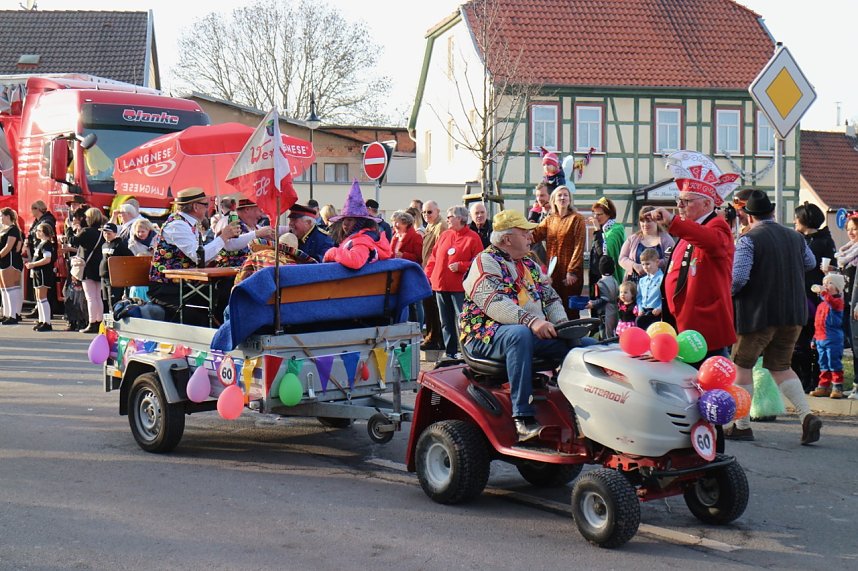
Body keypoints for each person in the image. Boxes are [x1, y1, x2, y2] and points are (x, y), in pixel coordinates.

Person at [460, 210, 593, 441]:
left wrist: (563, 326)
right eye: (525, 233)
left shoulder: (529, 263)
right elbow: (495, 304)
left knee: (584, 344)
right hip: (483, 336)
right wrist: (532, 321)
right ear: (507, 239)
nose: (531, 237)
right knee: (518, 335)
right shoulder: (485, 261)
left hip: (524, 332)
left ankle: (585, 415)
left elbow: (550, 298)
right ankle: (522, 417)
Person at [727, 189, 822, 446]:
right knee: (781, 366)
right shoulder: (795, 237)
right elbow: (811, 263)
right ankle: (806, 415)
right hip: (792, 313)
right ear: (771, 212)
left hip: (758, 314)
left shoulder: (748, 239)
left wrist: (729, 295)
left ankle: (742, 425)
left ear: (748, 216)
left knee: (743, 366)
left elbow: (738, 278)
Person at [651, 150, 738, 361]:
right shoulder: (690, 228)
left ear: (707, 204)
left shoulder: (717, 226)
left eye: (686, 201)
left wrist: (673, 223)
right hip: (684, 325)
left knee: (710, 386)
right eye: (678, 200)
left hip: (704, 328)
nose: (679, 206)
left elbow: (709, 241)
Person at [148, 188, 241, 324]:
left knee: (226, 289)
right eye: (205, 205)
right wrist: (223, 237)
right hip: (166, 289)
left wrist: (221, 239)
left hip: (185, 285)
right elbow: (198, 257)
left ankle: (225, 329)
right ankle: (219, 332)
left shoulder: (188, 224)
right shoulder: (177, 225)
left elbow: (202, 257)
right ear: (195, 207)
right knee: (201, 315)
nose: (208, 208)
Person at [425, 205, 483, 359]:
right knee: (445, 321)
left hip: (459, 286)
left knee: (462, 320)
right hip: (440, 284)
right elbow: (434, 257)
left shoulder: (473, 237)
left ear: (460, 218)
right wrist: (427, 275)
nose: (448, 219)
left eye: (450, 217)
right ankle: (450, 351)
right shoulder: (445, 235)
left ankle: (467, 351)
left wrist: (461, 266)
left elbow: (479, 261)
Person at [792, 202, 836, 392]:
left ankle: (817, 380)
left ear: (805, 219)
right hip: (799, 295)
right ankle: (801, 379)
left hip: (816, 298)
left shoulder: (824, 241)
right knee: (798, 342)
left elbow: (832, 269)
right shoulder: (797, 239)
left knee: (815, 341)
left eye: (797, 217)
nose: (794, 221)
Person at [531, 185, 586, 319]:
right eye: (559, 195)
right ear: (554, 200)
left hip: (570, 274)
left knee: (570, 310)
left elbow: (579, 245)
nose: (562, 198)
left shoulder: (577, 219)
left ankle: (573, 338)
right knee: (554, 307)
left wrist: (572, 271)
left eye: (565, 195)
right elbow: (534, 236)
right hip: (553, 272)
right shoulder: (550, 220)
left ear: (570, 199)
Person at [324, 182, 393, 270]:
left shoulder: (362, 240)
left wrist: (333, 252)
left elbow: (356, 261)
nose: (345, 224)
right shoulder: (366, 237)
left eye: (350, 220)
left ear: (360, 222)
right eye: (343, 220)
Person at [70, 207, 108, 333]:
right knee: (98, 296)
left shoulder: (86, 231)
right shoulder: (102, 232)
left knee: (90, 297)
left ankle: (92, 322)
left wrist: (72, 229)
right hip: (100, 266)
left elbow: (73, 241)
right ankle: (100, 321)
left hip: (88, 267)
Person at [808, 273, 846, 399]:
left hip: (833, 338)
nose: (825, 286)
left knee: (833, 362)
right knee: (822, 362)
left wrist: (824, 293)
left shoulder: (837, 301)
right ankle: (823, 386)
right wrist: (814, 338)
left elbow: (832, 303)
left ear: (838, 288)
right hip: (820, 338)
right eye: (824, 283)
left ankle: (837, 386)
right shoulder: (821, 305)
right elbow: (817, 323)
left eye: (830, 283)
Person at [212, 199, 276, 267]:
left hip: (248, 268)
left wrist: (288, 229)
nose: (261, 215)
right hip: (229, 271)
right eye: (259, 210)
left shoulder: (252, 226)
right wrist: (257, 234)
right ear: (247, 209)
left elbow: (274, 230)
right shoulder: (227, 221)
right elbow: (230, 245)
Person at [618, 205, 674, 282]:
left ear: (656, 221)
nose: (645, 224)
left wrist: (652, 265)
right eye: (642, 221)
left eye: (648, 221)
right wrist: (635, 266)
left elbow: (671, 260)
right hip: (633, 284)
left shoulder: (666, 239)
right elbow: (622, 258)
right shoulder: (632, 239)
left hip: (657, 284)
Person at [420, 200, 446, 351]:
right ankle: (432, 336)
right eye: (424, 212)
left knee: (433, 307)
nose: (426, 215)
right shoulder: (430, 226)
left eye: (429, 212)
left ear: (437, 211)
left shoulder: (440, 226)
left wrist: (431, 272)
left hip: (434, 272)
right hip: (427, 270)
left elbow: (438, 252)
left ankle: (435, 337)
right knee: (428, 306)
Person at [24, 223, 57, 331]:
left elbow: (47, 259)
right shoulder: (40, 244)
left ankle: (46, 322)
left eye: (39, 230)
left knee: (43, 298)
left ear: (44, 233)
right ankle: (42, 320)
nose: (37, 232)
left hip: (43, 273)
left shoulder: (46, 244)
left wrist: (33, 264)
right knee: (39, 298)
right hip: (38, 273)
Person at [588, 196, 625, 291]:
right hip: (596, 276)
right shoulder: (602, 230)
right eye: (595, 214)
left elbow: (604, 254)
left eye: (599, 214)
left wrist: (597, 231)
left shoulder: (616, 230)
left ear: (609, 215)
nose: (596, 217)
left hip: (609, 280)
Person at [98, 222, 133, 308]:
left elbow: (130, 257)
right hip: (104, 277)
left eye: (109, 233)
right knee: (105, 301)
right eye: (104, 233)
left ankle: (115, 317)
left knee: (113, 301)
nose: (106, 235)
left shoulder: (119, 244)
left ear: (115, 233)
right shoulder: (104, 245)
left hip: (114, 278)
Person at [0, 207, 25, 325]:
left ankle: (13, 315)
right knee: (4, 289)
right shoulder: (4, 229)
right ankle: (6, 313)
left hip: (10, 261)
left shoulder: (13, 230)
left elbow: (8, 247)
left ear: (8, 216)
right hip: (3, 262)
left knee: (11, 288)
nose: (0, 218)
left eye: (2, 216)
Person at [586, 256, 619, 339]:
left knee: (606, 333)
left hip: (605, 312)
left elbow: (604, 299)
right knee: (613, 331)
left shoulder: (601, 283)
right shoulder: (614, 280)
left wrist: (592, 304)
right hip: (615, 308)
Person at [634, 247, 663, 330]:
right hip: (644, 311)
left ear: (657, 262)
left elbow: (665, 297)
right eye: (643, 264)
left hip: (656, 313)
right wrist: (640, 308)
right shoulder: (642, 280)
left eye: (648, 264)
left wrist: (660, 308)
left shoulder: (662, 279)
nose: (645, 267)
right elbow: (639, 297)